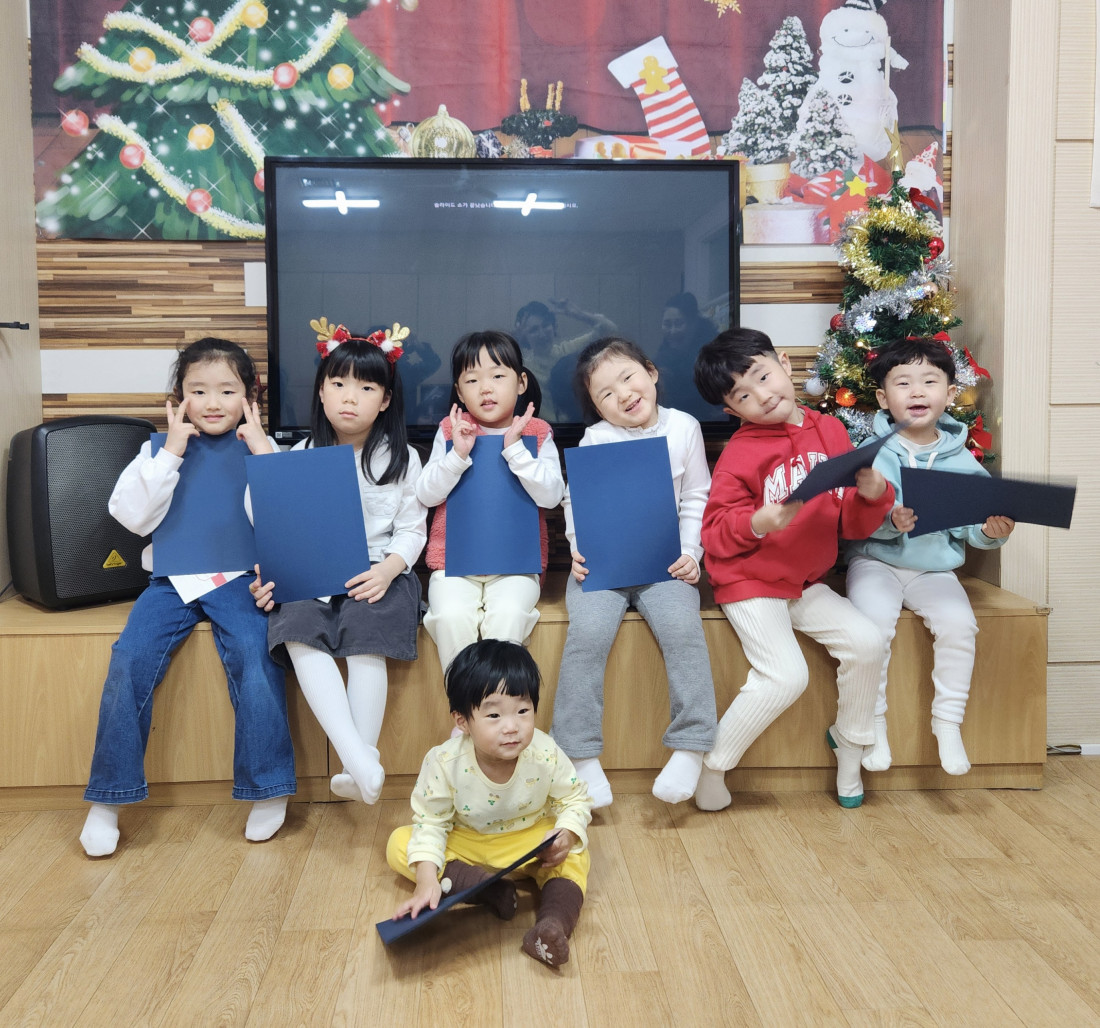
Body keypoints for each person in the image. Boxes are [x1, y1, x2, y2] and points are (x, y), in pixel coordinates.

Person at [80, 338, 295, 857]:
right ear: (178, 398)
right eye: (198, 391)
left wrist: (261, 450)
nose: (212, 402)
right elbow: (132, 517)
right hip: (170, 582)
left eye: (227, 390)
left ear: (251, 396)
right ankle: (108, 798)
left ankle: (268, 787)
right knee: (129, 659)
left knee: (256, 653)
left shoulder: (265, 447)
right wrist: (171, 452)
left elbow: (285, 519)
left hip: (238, 579)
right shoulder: (156, 448)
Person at [691, 327, 895, 812]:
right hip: (749, 580)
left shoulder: (831, 431)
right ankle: (712, 766)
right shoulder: (739, 453)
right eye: (743, 395)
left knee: (868, 643)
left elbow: (850, 522)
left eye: (763, 377)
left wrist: (874, 495)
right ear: (732, 411)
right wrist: (756, 523)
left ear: (784, 362)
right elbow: (713, 533)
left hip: (804, 581)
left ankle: (850, 745)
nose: (762, 396)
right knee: (785, 676)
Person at [251, 320, 427, 805]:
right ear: (322, 392)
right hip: (312, 569)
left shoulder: (403, 458)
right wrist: (270, 570)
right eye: (339, 383)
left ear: (385, 400)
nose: (350, 397)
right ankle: (359, 758)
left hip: (376, 570)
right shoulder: (300, 454)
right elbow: (275, 522)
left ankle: (356, 767)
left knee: (367, 632)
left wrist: (389, 570)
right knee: (296, 628)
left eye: (367, 388)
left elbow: (412, 530)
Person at [550, 336, 717, 808]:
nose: (622, 394)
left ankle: (692, 745)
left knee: (684, 631)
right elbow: (576, 500)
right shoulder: (596, 438)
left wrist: (691, 552)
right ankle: (578, 754)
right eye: (606, 393)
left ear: (651, 372)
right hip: (604, 564)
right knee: (587, 635)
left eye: (628, 378)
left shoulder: (684, 427)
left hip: (665, 563)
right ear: (596, 407)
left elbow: (696, 496)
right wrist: (578, 548)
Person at [845, 337, 1015, 775]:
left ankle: (948, 723)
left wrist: (990, 533)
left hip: (934, 569)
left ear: (950, 393)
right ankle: (873, 723)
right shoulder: (870, 455)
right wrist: (889, 521)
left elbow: (973, 527)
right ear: (883, 398)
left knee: (960, 625)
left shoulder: (965, 462)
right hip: (875, 562)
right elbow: (850, 516)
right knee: (872, 628)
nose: (917, 391)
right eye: (903, 383)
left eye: (929, 382)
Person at [387, 639, 592, 968]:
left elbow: (574, 798)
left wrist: (566, 835)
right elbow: (431, 822)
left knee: (577, 855)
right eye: (494, 715)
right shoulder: (444, 762)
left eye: (523, 711)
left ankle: (552, 924)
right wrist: (426, 880)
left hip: (530, 846)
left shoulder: (545, 751)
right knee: (400, 843)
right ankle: (487, 889)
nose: (512, 727)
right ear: (462, 721)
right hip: (470, 845)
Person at [416, 330, 565, 674]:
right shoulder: (450, 429)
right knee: (450, 616)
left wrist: (515, 450)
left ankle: (499, 700)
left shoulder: (537, 431)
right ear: (459, 391)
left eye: (497, 376)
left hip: (516, 565)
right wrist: (457, 454)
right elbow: (426, 494)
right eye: (472, 380)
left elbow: (551, 496)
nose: (485, 388)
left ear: (521, 382)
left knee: (508, 617)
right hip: (453, 565)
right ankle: (462, 702)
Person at [514, 299, 616, 421]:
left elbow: (609, 329)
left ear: (553, 326)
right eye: (533, 330)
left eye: (545, 325)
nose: (542, 334)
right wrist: (517, 337)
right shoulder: (524, 366)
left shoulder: (567, 350)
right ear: (525, 336)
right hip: (544, 429)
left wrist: (579, 314)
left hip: (580, 426)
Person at [654, 292, 718, 414]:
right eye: (667, 324)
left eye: (679, 323)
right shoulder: (663, 353)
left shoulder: (712, 353)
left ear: (693, 324)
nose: (672, 331)